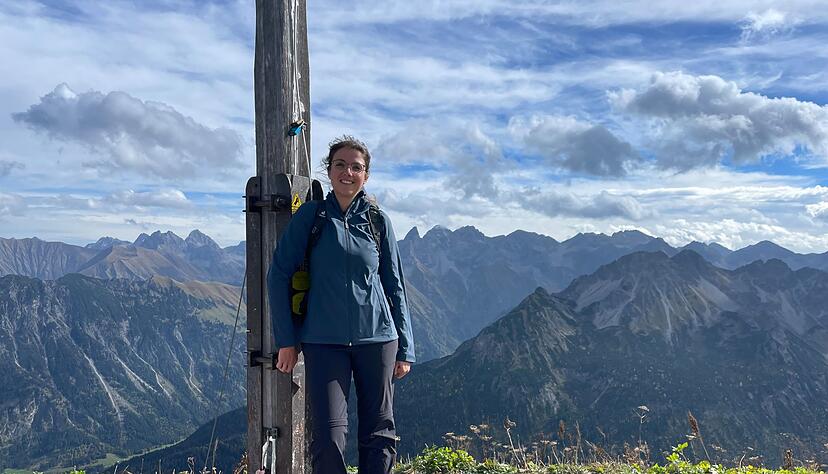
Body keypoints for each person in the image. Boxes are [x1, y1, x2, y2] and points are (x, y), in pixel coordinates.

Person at [267, 136, 415, 474]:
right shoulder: (312, 217)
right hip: (323, 341)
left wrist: (406, 347)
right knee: (329, 435)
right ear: (329, 171)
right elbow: (278, 276)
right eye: (340, 165)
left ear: (366, 175)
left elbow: (395, 286)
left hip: (378, 340)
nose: (348, 172)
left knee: (379, 433)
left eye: (356, 167)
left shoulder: (378, 221)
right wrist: (286, 340)